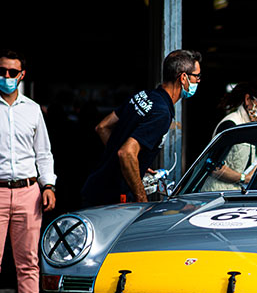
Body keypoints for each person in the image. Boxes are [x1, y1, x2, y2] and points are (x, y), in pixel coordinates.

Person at [80, 50, 202, 206]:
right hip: (112, 199)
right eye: (197, 76)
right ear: (183, 77)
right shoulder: (161, 113)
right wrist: (142, 200)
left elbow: (102, 127)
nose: (199, 81)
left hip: (96, 187)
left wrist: (134, 166)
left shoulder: (144, 95)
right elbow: (126, 153)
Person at [0, 50, 56, 293]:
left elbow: (43, 153)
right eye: (2, 71)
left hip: (28, 191)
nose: (7, 77)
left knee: (29, 262)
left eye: (12, 72)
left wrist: (49, 186)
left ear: (22, 75)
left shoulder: (32, 110)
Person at [202, 80, 257, 192]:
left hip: (234, 194)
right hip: (215, 194)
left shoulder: (248, 128)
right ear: (247, 99)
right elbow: (212, 166)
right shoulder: (231, 125)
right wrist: (244, 178)